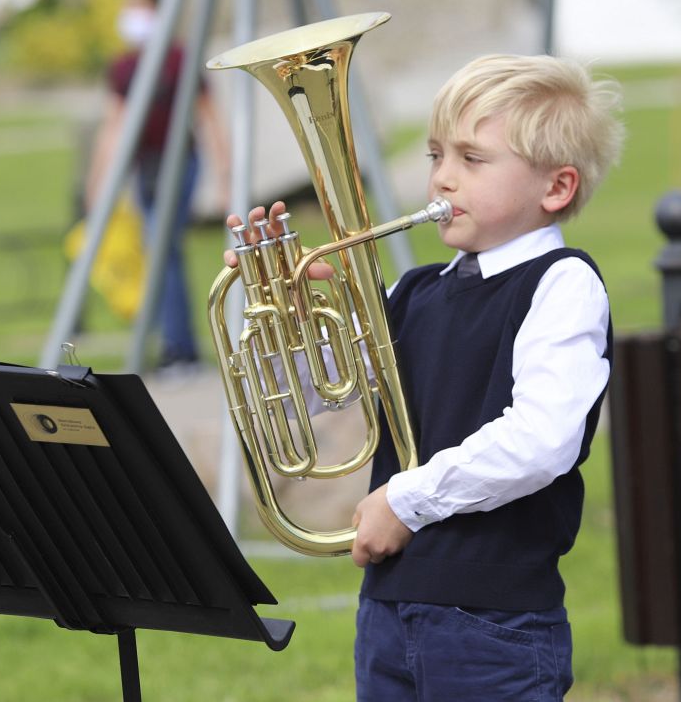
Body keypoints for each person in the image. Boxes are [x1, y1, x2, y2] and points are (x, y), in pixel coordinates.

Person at [225, 53, 624, 700]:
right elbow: (326, 395)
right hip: (387, 609)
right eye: (437, 154)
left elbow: (541, 439)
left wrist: (405, 500)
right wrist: (291, 319)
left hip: (494, 627)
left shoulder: (561, 284)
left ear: (556, 188)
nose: (442, 178)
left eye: (472, 159)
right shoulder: (414, 291)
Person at [85, 0, 230, 372]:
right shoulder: (123, 68)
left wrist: (226, 178)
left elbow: (209, 116)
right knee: (162, 253)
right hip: (145, 169)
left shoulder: (178, 59)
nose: (132, 17)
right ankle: (174, 344)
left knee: (162, 249)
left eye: (140, 8)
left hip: (180, 163)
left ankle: (178, 349)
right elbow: (112, 127)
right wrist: (97, 183)